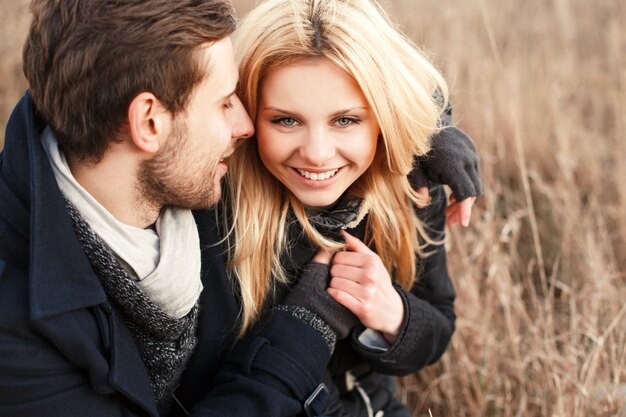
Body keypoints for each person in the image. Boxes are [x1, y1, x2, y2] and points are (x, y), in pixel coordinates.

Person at [0, 1, 375, 416]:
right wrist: (301, 331)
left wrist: (428, 140)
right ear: (149, 123)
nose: (245, 126)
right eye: (224, 102)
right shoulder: (16, 331)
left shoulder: (171, 177)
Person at [223, 0, 481, 415]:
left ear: (383, 117)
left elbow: (439, 325)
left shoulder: (409, 191)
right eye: (285, 120)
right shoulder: (219, 208)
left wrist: (392, 312)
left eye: (345, 120)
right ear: (247, 113)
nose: (317, 154)